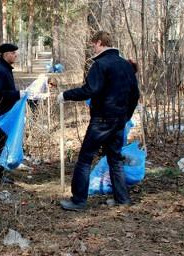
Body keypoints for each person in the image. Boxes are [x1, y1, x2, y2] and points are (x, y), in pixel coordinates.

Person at [56, 31, 140, 211]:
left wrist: (65, 95)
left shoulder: (100, 65)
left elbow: (89, 90)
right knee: (115, 159)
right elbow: (135, 95)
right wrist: (126, 116)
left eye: (93, 44)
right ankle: (122, 199)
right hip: (119, 120)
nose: (92, 48)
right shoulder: (126, 66)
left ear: (100, 43)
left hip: (102, 120)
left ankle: (78, 200)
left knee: (85, 158)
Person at [0, 43, 28, 184]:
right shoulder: (0, 70)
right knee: (1, 144)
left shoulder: (5, 68)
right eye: (13, 53)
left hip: (3, 113)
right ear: (6, 54)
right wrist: (18, 94)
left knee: (0, 142)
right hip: (0, 114)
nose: (15, 55)